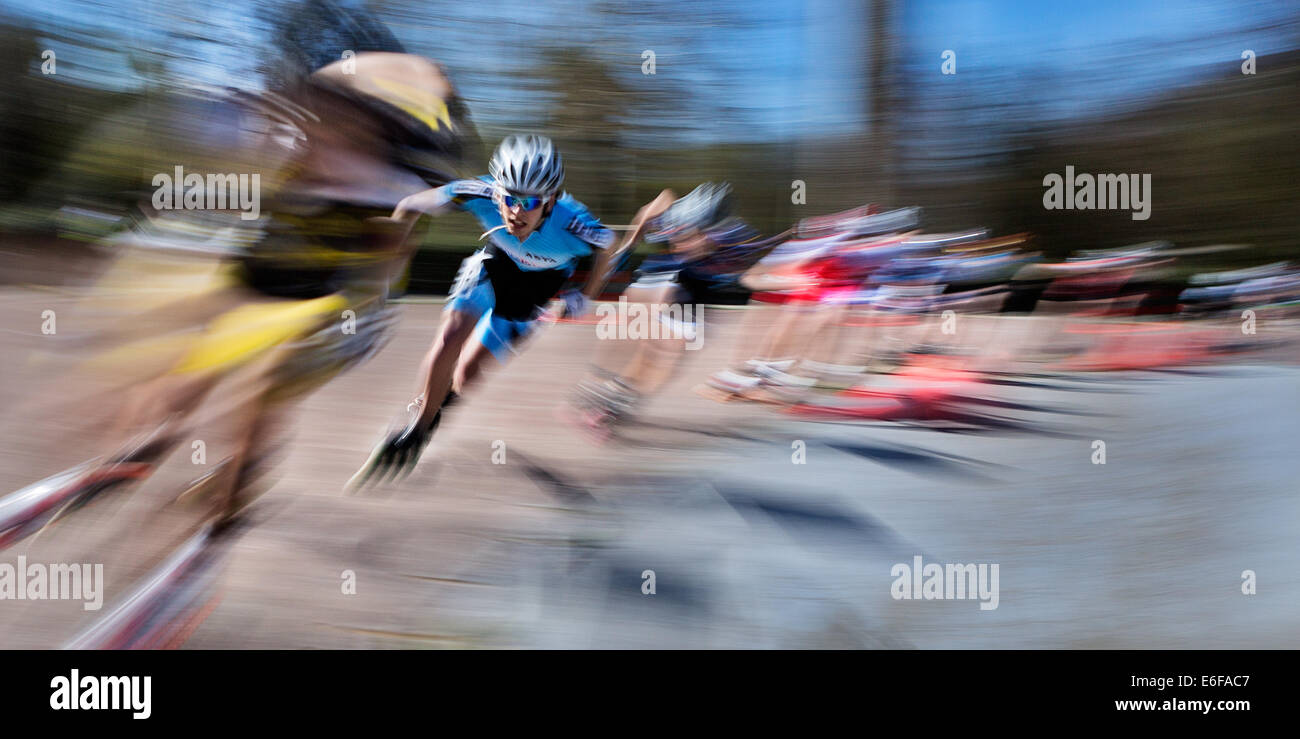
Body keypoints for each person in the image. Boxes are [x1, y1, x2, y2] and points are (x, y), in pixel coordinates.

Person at [350, 135, 675, 484]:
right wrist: (388, 270)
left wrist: (585, 295)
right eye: (509, 199)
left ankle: (432, 410)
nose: (517, 211)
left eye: (531, 201)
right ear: (497, 191)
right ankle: (418, 428)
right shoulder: (478, 192)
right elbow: (410, 206)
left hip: (535, 292)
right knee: (450, 336)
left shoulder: (573, 223)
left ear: (550, 201)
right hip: (495, 267)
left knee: (466, 376)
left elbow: (608, 248)